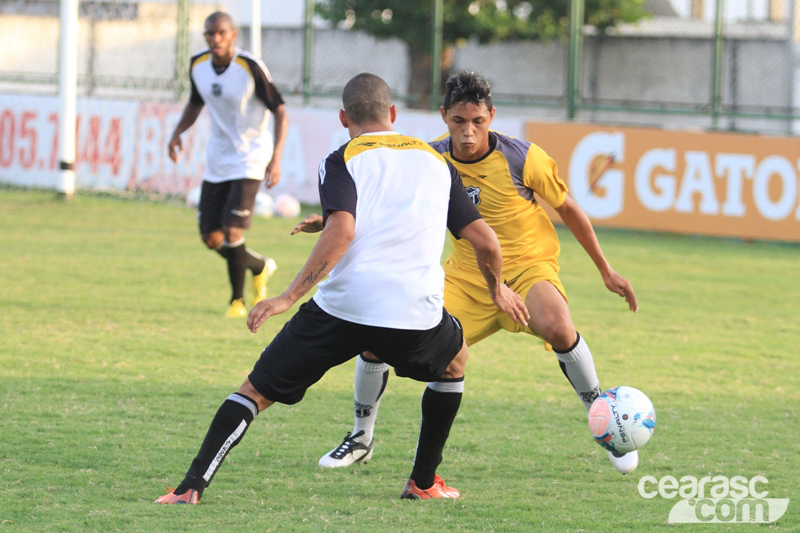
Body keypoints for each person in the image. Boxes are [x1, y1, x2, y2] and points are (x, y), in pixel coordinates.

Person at [154, 73, 529, 504]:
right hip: (413, 315)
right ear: (393, 114)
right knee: (454, 360)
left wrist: (286, 297)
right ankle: (422, 482)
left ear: (343, 117)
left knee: (254, 393)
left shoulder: (342, 157)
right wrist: (498, 289)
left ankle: (190, 488)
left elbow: (343, 231)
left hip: (343, 310)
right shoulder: (434, 159)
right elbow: (485, 241)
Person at [313, 71, 641, 475]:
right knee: (380, 336)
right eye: (458, 122)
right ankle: (361, 437)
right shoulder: (429, 158)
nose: (468, 133)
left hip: (527, 270)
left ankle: (604, 422)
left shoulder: (523, 157)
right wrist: (333, 219)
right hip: (466, 280)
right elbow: (389, 200)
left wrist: (606, 270)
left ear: (491, 116)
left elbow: (570, 210)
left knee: (557, 324)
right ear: (443, 117)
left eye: (478, 122)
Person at [167, 11, 287, 317]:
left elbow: (280, 111)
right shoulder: (198, 65)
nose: (215, 39)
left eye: (221, 33)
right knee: (211, 236)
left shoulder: (249, 67)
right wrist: (178, 131)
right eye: (210, 34)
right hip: (218, 158)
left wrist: (276, 158)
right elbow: (196, 102)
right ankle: (259, 266)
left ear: (233, 34)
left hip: (251, 157)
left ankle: (237, 302)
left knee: (233, 231)